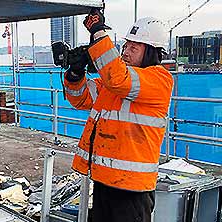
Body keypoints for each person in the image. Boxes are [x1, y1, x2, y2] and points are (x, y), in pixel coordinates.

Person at [63, 9, 174, 222]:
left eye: (134, 47)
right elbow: (80, 98)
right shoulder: (114, 83)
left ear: (151, 51)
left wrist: (98, 32)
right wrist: (75, 74)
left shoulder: (159, 80)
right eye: (126, 46)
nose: (126, 52)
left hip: (132, 189)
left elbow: (117, 77)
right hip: (104, 180)